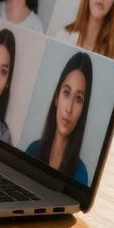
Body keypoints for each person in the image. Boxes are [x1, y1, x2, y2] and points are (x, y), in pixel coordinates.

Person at [24, 52, 92, 184]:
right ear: (56, 98)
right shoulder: (32, 151)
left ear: (83, 110)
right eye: (66, 93)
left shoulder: (81, 174)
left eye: (78, 99)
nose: (69, 109)